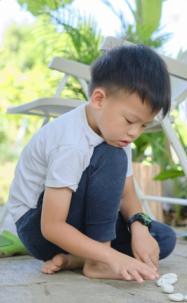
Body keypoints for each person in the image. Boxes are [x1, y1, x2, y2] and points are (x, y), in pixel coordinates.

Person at [5, 45, 176, 282]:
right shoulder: (70, 143)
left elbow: (128, 195)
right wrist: (112, 256)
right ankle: (98, 261)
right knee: (112, 156)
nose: (135, 132)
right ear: (98, 99)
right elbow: (51, 226)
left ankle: (78, 259)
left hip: (77, 226)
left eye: (143, 125)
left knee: (162, 239)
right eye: (130, 120)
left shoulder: (117, 133)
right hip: (39, 228)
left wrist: (139, 227)